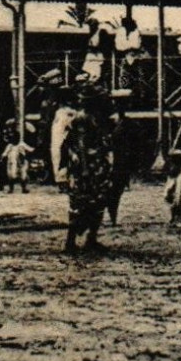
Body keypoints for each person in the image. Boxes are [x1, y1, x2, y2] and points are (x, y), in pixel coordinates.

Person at [62, 85, 116, 254]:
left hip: (97, 166)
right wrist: (85, 168)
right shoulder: (83, 118)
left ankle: (90, 239)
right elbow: (80, 144)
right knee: (80, 203)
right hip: (87, 168)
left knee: (98, 202)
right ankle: (71, 241)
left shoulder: (95, 117)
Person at [106, 90, 137, 224]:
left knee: (116, 190)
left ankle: (112, 215)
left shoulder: (128, 124)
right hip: (110, 159)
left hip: (121, 160)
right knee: (111, 190)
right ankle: (111, 215)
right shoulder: (110, 122)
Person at [1, 116, 31, 194]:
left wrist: (27, 154)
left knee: (23, 176)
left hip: (21, 163)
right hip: (12, 162)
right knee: (11, 175)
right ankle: (11, 189)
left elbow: (30, 149)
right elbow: (4, 153)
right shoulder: (10, 146)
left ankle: (24, 188)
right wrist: (2, 157)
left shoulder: (21, 144)